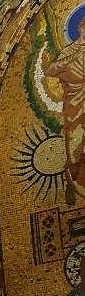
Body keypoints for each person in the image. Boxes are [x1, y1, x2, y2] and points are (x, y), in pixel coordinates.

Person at [47, 14, 85, 205]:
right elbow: (51, 70)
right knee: (74, 138)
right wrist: (72, 57)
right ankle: (73, 177)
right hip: (75, 101)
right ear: (79, 29)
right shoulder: (70, 50)